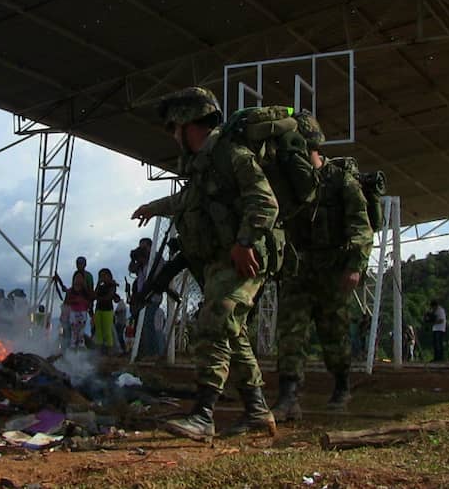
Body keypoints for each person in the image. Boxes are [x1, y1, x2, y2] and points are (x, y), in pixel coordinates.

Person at [131, 86, 279, 440]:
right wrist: (155, 207)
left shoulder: (232, 155)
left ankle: (203, 414)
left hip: (244, 259)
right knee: (233, 334)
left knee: (212, 324)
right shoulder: (203, 165)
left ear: (186, 124)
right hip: (218, 261)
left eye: (173, 128)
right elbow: (188, 200)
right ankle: (257, 411)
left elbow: (266, 203)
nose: (172, 136)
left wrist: (244, 243)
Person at [272, 112, 373, 421]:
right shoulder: (288, 183)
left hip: (333, 270)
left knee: (335, 334)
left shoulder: (340, 180)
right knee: (290, 333)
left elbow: (361, 225)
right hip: (298, 269)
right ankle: (289, 396)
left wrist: (355, 265)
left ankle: (342, 386)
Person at [63, 272, 93, 350]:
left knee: (81, 332)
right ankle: (72, 347)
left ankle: (81, 347)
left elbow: (89, 302)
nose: (78, 279)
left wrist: (83, 301)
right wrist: (75, 301)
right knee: (73, 331)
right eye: (77, 277)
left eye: (80, 277)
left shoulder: (85, 292)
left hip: (83, 313)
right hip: (73, 313)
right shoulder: (70, 291)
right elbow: (66, 302)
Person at [93, 268, 119, 355]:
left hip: (107, 310)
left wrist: (99, 298)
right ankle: (99, 352)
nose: (103, 277)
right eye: (101, 276)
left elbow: (109, 296)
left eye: (104, 275)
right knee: (99, 331)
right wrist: (98, 284)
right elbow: (94, 294)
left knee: (107, 331)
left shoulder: (112, 285)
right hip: (98, 309)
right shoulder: (100, 286)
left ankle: (110, 351)